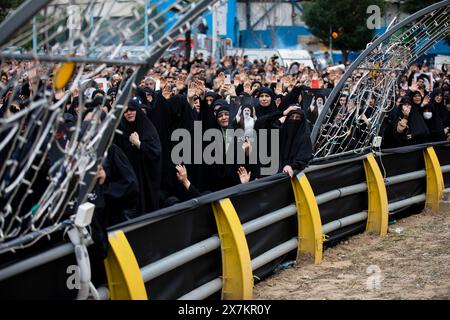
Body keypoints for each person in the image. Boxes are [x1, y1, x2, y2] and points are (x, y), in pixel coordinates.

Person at [114, 96, 162, 215]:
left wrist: (139, 144)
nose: (129, 113)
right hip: (132, 178)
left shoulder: (147, 128)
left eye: (131, 109)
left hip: (147, 178)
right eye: (125, 111)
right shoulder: (121, 131)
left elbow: (155, 152)